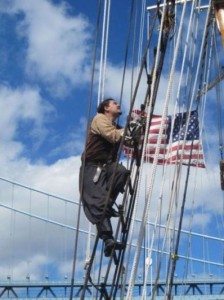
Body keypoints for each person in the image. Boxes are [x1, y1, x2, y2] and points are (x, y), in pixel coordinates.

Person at [79, 98, 130, 257]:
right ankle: (108, 238)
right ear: (106, 108)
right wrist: (128, 130)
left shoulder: (118, 127)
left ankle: (106, 204)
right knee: (98, 201)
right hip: (92, 167)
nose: (118, 105)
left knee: (122, 172)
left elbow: (130, 140)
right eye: (114, 103)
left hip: (108, 167)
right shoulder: (99, 119)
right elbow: (112, 136)